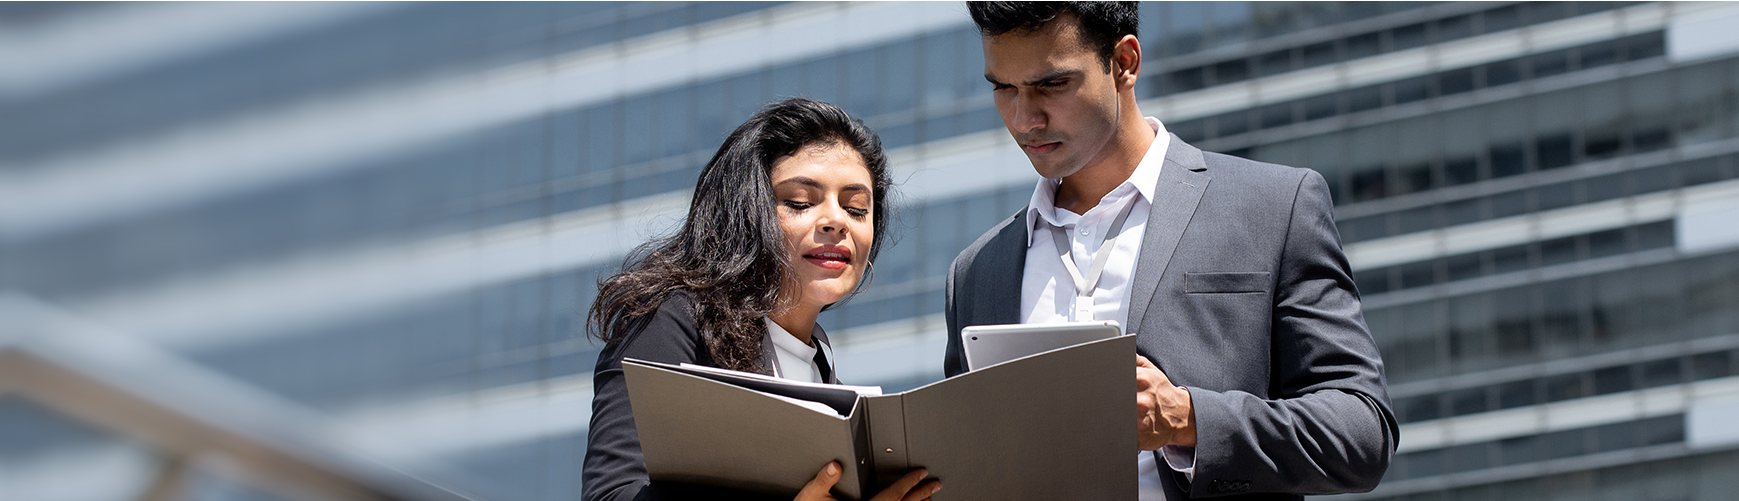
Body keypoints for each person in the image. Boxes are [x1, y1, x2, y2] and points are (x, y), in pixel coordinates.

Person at [945, 2, 1398, 499]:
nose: (1024, 118)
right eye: (1003, 88)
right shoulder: (975, 272)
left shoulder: (1271, 207)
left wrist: (1189, 419)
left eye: (1051, 84)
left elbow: (1362, 431)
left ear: (1125, 62)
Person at [582, 99, 942, 501]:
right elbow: (612, 493)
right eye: (801, 202)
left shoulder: (823, 367)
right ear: (745, 211)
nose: (836, 220)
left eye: (857, 209)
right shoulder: (673, 318)